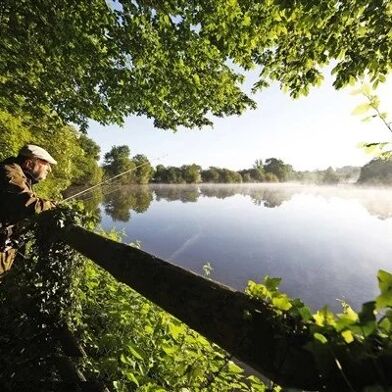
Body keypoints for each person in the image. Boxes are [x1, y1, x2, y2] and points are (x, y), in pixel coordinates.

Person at [0, 144, 57, 277]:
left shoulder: (19, 175)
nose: (49, 169)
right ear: (29, 163)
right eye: (45, 163)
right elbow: (28, 204)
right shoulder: (10, 173)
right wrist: (52, 205)